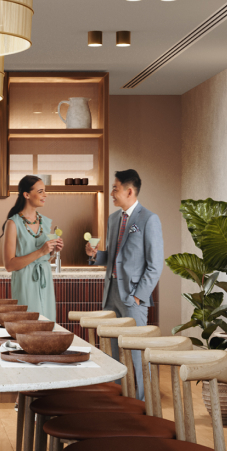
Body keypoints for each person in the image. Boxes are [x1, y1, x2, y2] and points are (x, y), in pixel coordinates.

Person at [84, 169, 163, 400]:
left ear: (129, 191)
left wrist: (139, 296)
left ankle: (143, 406)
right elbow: (112, 257)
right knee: (112, 354)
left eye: (115, 188)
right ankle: (119, 402)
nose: (111, 193)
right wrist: (94, 255)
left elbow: (155, 264)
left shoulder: (149, 219)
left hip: (133, 297)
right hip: (111, 295)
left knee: (137, 354)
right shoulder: (113, 219)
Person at [2, 175, 62, 322]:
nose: (45, 195)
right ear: (26, 195)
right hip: (25, 282)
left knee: (47, 325)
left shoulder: (45, 222)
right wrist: (41, 251)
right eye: (40, 191)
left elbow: (45, 257)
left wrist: (53, 251)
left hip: (45, 280)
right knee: (27, 326)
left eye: (45, 191)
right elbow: (9, 265)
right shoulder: (13, 223)